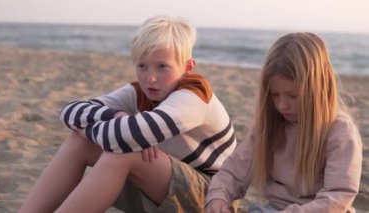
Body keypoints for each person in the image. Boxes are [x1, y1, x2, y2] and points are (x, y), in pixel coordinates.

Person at [19, 15, 238, 213]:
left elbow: (122, 137)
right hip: (160, 188)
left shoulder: (193, 96)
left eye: (162, 67)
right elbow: (69, 113)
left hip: (213, 197)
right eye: (143, 66)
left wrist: (128, 134)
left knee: (124, 151)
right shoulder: (139, 92)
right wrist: (116, 117)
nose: (150, 78)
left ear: (187, 67)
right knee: (80, 141)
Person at [205, 32, 362, 212]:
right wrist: (218, 197)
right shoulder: (269, 125)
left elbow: (339, 196)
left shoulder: (340, 131)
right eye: (274, 94)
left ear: (318, 89)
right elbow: (233, 172)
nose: (282, 105)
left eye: (293, 96)